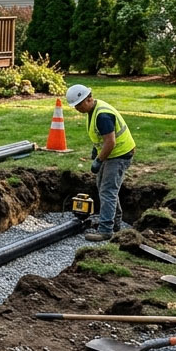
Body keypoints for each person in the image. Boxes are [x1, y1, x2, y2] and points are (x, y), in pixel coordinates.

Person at [65, 84, 135, 241]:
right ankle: (114, 223)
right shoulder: (93, 110)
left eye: (78, 105)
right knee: (104, 187)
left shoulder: (102, 116)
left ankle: (106, 230)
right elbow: (101, 137)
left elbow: (110, 142)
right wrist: (96, 150)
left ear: (88, 99)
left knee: (107, 190)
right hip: (111, 153)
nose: (76, 108)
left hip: (119, 154)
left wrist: (99, 160)